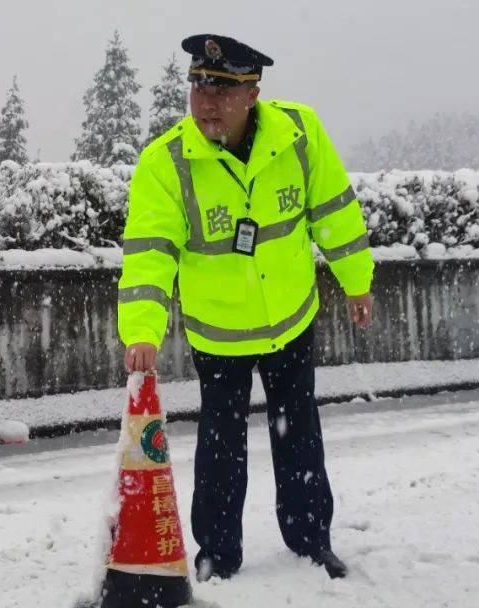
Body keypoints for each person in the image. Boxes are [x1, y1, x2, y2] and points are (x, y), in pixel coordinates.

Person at [116, 33, 375, 582]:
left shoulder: (298, 134)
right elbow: (150, 253)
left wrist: (357, 280)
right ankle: (217, 554)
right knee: (220, 445)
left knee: (298, 433)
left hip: (291, 320)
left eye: (223, 88)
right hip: (221, 333)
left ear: (253, 92)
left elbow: (333, 209)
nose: (207, 101)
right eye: (198, 86)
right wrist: (142, 329)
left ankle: (311, 540)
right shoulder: (166, 164)